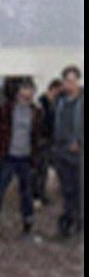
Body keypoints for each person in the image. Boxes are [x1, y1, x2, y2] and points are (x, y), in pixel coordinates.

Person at [0, 79, 43, 236]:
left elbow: (38, 135)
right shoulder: (6, 110)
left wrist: (37, 155)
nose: (28, 93)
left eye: (31, 90)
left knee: (26, 192)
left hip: (25, 158)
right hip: (8, 157)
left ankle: (28, 224)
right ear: (19, 91)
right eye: (25, 89)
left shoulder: (36, 112)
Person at [52, 65, 84, 238]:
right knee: (66, 190)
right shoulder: (59, 101)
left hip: (78, 153)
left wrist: (79, 141)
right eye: (67, 81)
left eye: (73, 80)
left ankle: (79, 224)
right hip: (61, 151)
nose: (70, 84)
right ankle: (67, 223)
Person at [33, 79, 62, 206]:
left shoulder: (54, 103)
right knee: (40, 168)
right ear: (53, 89)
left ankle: (40, 193)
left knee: (44, 169)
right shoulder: (42, 103)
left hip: (50, 140)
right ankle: (36, 194)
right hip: (42, 140)